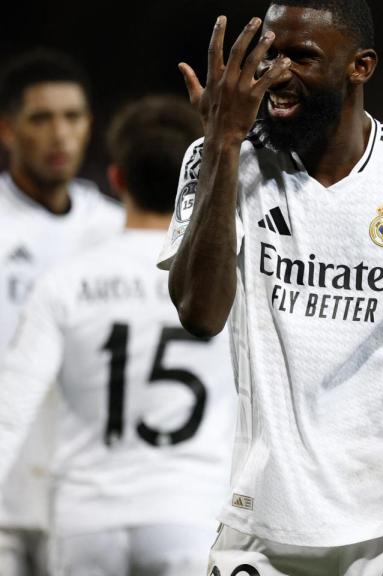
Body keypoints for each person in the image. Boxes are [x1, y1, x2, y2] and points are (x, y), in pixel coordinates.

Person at [165, 1, 383, 574]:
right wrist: (224, 145)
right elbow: (199, 314)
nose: (277, 72)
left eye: (301, 56)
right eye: (269, 53)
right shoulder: (220, 158)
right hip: (261, 525)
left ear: (362, 67)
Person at [0, 95, 236, 576]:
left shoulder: (67, 281)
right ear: (196, 178)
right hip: (190, 514)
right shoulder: (229, 285)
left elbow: (11, 409)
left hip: (86, 521)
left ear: (116, 178)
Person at [0, 49, 124, 576]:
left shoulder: (115, 227)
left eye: (72, 117)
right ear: (7, 130)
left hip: (84, 493)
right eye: (41, 118)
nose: (60, 134)